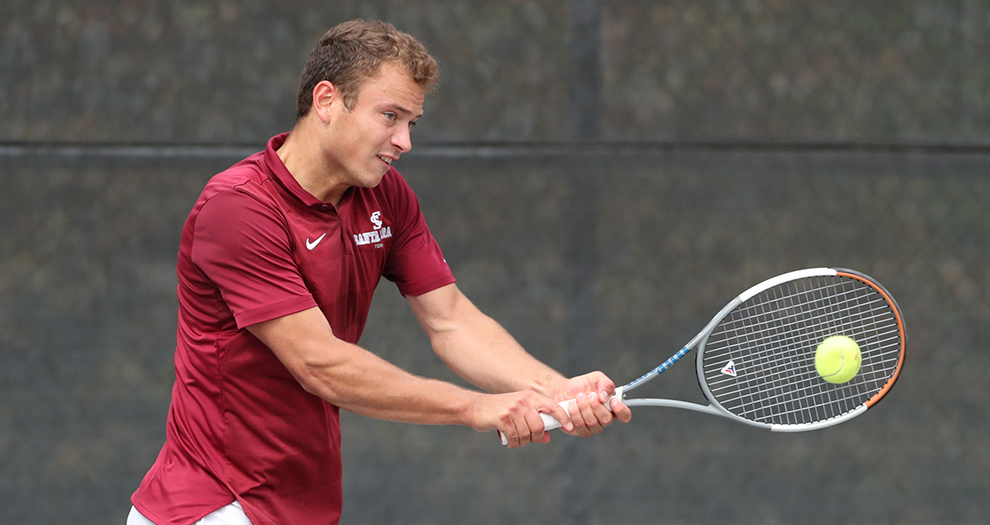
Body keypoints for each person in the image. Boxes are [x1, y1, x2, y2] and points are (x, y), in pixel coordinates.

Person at [128, 19, 631, 525]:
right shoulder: (238, 208)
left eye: (412, 122)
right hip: (210, 507)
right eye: (389, 116)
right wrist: (474, 407)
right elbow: (319, 363)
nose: (404, 140)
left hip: (300, 506)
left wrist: (554, 390)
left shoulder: (385, 196)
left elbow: (451, 321)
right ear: (326, 101)